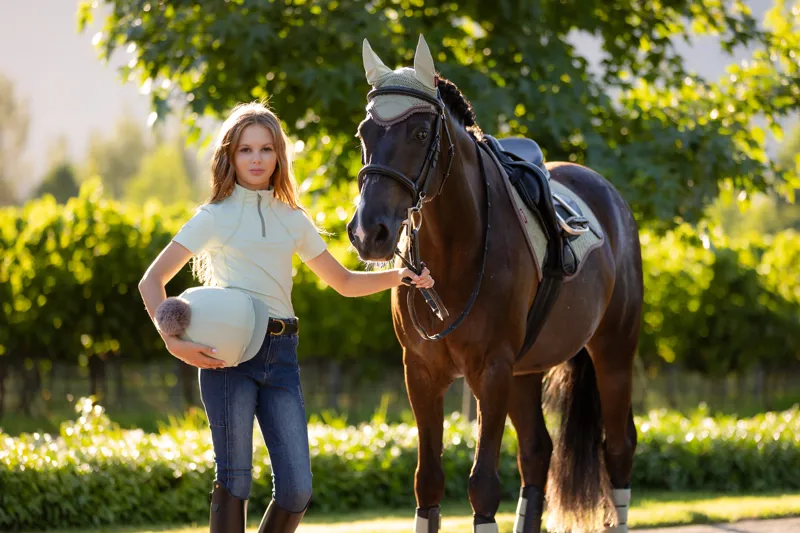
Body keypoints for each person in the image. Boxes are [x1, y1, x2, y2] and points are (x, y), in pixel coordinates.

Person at [137, 102, 434, 533]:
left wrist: (400, 277)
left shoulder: (292, 218)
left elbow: (344, 282)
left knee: (297, 489)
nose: (256, 159)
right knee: (234, 481)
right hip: (227, 356)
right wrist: (173, 341)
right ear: (230, 156)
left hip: (281, 355)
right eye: (245, 150)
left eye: (266, 149)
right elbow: (152, 282)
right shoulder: (212, 217)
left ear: (279, 155)